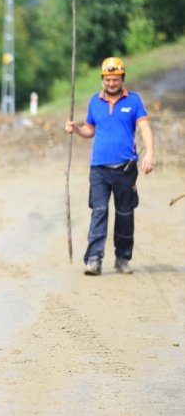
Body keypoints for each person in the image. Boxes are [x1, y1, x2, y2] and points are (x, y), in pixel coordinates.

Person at [65, 57, 155, 276]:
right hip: (99, 169)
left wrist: (150, 153)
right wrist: (76, 129)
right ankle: (94, 259)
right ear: (102, 79)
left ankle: (123, 258)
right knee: (99, 211)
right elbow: (89, 130)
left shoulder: (134, 101)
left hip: (125, 168)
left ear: (122, 79)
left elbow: (144, 127)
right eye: (108, 79)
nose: (111, 83)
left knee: (125, 214)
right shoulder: (95, 102)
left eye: (115, 79)